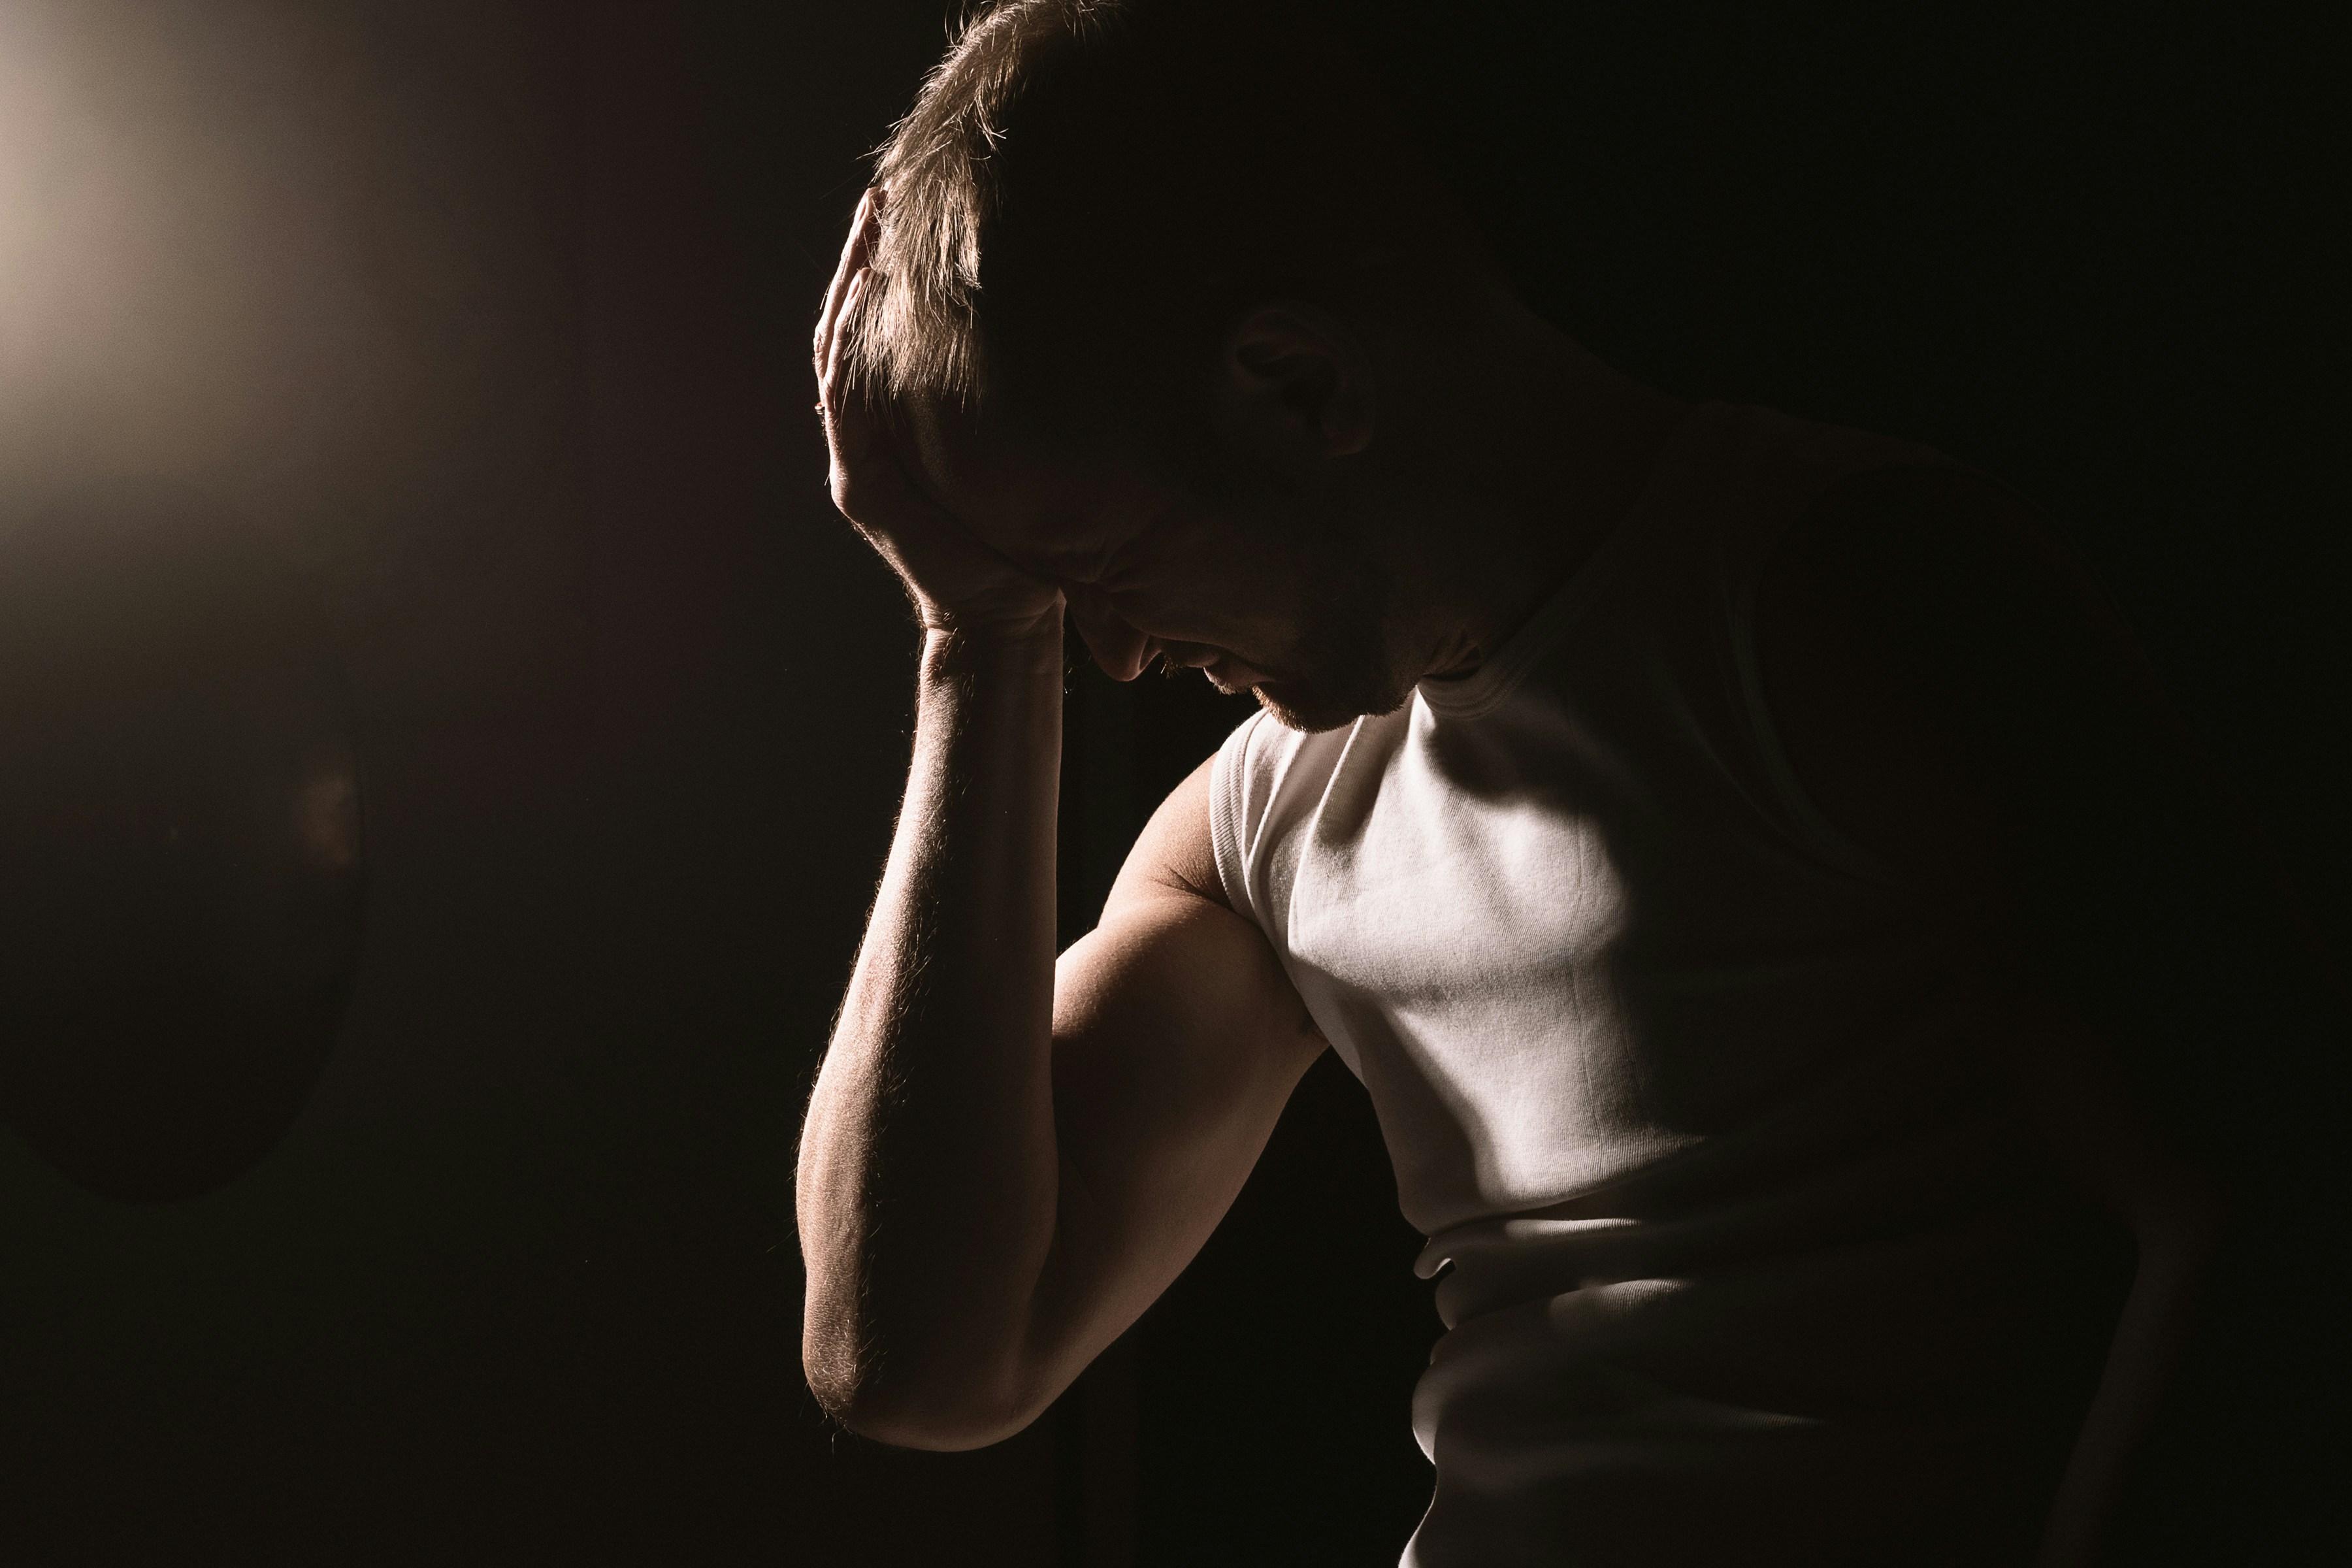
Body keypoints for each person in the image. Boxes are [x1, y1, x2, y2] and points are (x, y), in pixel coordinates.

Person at [795, 3, 2324, 1561]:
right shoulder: (1264, 827)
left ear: (1302, 390)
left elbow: (2276, 1223)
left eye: (1102, 571)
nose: (1107, 656)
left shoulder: (1844, 608)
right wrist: (972, 640)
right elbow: (917, 1362)